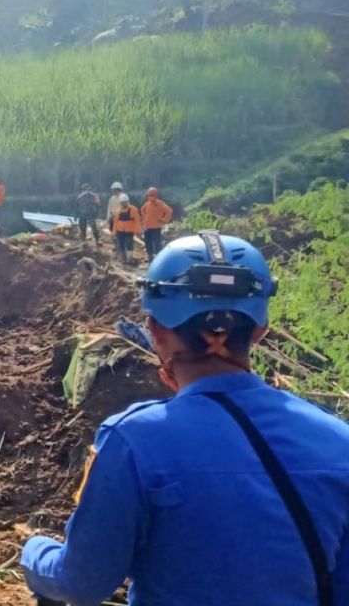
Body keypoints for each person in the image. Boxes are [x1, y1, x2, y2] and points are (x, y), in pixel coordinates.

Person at [22, 232, 349, 606]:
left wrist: (33, 552)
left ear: (155, 330)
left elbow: (82, 582)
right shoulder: (338, 441)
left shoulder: (133, 441)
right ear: (260, 331)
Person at [140, 187, 174, 262]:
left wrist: (164, 219)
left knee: (157, 242)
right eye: (149, 196)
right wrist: (144, 220)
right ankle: (150, 256)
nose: (150, 197)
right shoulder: (147, 204)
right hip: (147, 227)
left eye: (151, 196)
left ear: (155, 196)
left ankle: (159, 257)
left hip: (156, 227)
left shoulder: (160, 204)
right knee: (147, 242)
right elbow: (142, 210)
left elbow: (169, 211)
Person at [112, 193, 141, 265]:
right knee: (121, 244)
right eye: (122, 202)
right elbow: (115, 222)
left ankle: (130, 258)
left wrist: (138, 230)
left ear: (127, 201)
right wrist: (114, 232)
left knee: (129, 243)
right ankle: (123, 259)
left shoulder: (133, 209)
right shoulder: (118, 211)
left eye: (124, 202)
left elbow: (137, 220)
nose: (123, 204)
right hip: (120, 230)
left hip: (129, 230)